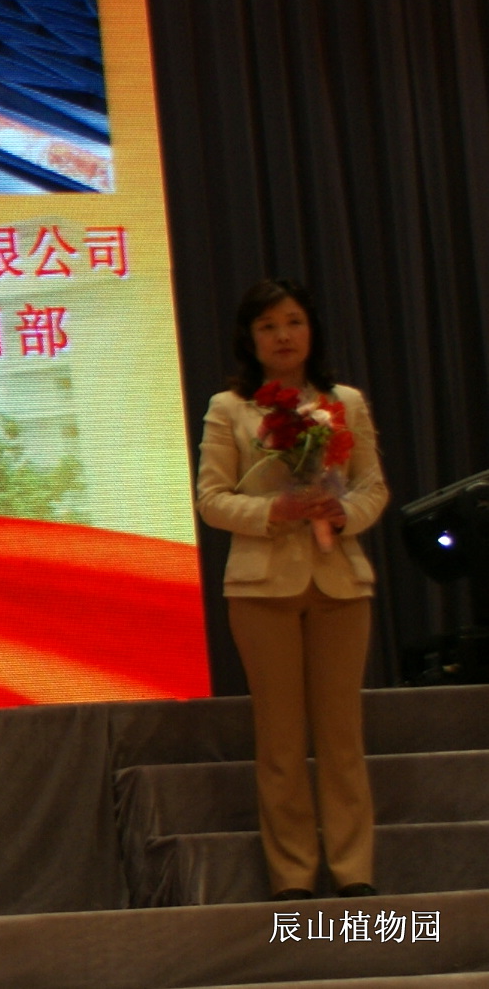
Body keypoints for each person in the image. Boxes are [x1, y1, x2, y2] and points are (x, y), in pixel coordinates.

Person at [195, 279, 388, 900]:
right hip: (261, 587)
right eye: (268, 326)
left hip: (340, 583)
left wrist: (342, 514)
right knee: (279, 740)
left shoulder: (345, 402)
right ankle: (293, 879)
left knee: (342, 737)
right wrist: (273, 511)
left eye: (294, 322)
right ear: (250, 339)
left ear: (311, 330)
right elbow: (211, 499)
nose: (283, 336)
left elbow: (373, 487)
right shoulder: (230, 408)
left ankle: (354, 874)